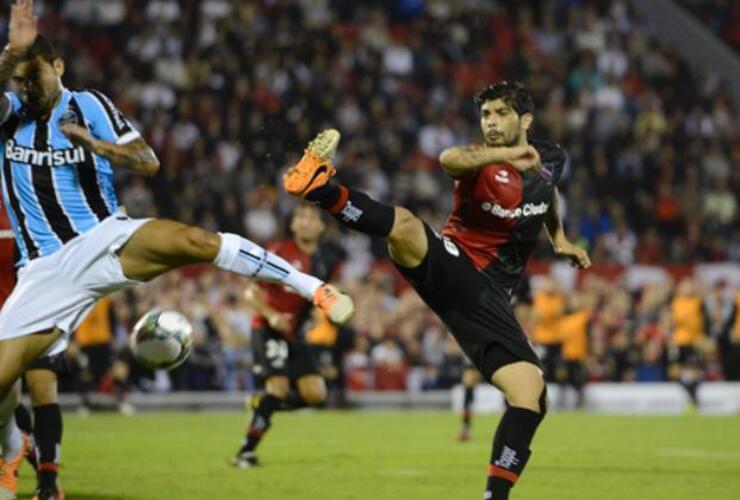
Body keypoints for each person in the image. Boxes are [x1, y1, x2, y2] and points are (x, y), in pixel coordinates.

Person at [0, 3, 354, 498]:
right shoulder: (10, 111)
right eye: (19, 80)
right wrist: (13, 52)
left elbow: (148, 160)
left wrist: (99, 147)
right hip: (42, 269)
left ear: (58, 68)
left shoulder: (90, 106)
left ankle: (313, 287)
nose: (27, 88)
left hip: (106, 238)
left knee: (197, 240)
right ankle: (12, 443)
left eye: (34, 76)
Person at [283, 81, 591, 499]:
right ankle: (320, 187)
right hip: (455, 263)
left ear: (526, 120)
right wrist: (502, 154)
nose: (492, 122)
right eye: (486, 115)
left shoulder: (551, 157)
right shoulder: (478, 159)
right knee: (406, 227)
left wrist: (560, 240)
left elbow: (546, 192)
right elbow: (450, 159)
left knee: (530, 395)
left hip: (488, 298)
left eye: (501, 113)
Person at [233, 204, 345, 467]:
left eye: (310, 218)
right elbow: (251, 292)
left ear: (321, 227)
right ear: (293, 225)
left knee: (317, 395)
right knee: (279, 387)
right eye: (299, 217)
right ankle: (245, 453)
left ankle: (263, 403)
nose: (304, 221)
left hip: (294, 335)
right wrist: (271, 315)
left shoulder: (327, 261)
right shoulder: (279, 253)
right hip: (267, 328)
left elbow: (325, 295)